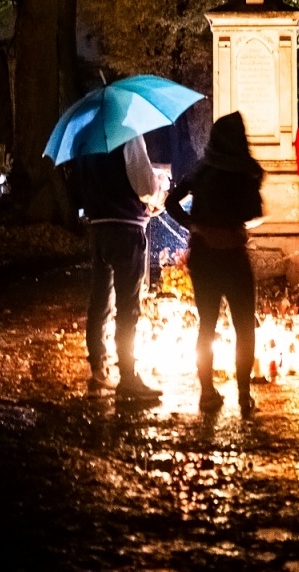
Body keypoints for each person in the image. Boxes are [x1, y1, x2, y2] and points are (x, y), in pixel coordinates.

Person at [165, 112, 262, 416]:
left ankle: (207, 392)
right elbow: (251, 212)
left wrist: (193, 224)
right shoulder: (245, 173)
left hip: (204, 257)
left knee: (206, 326)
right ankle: (244, 396)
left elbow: (170, 203)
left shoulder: (201, 171)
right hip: (233, 256)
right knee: (244, 327)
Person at [77, 132, 166, 401]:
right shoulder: (128, 133)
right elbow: (144, 186)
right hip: (126, 227)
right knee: (128, 306)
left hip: (98, 227)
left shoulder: (86, 139)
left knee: (101, 300)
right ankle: (128, 376)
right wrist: (159, 191)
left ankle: (99, 369)